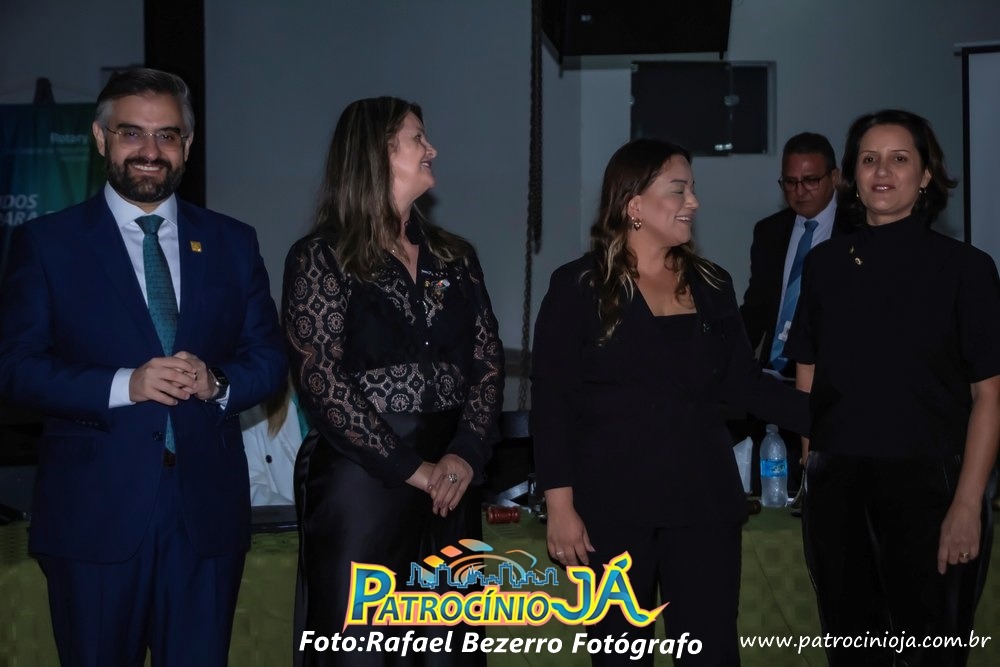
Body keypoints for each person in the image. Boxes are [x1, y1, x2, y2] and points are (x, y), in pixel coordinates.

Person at [0, 68, 287, 667]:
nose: (150, 151)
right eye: (132, 133)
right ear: (100, 138)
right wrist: (123, 385)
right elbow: (16, 368)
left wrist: (217, 383)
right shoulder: (47, 244)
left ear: (188, 144)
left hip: (206, 515)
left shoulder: (233, 242)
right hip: (93, 517)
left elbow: (268, 360)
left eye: (167, 135)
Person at [531, 138, 809, 666]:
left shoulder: (711, 283)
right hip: (612, 509)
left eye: (693, 189)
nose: (694, 202)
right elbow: (553, 404)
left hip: (704, 504)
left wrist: (834, 415)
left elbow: (744, 385)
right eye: (679, 190)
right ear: (633, 204)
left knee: (710, 654)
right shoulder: (578, 286)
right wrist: (560, 506)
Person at [283, 96, 504, 666]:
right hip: (362, 481)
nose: (432, 149)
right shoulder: (321, 257)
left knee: (450, 648)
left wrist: (464, 454)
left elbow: (486, 364)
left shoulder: (455, 256)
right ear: (377, 153)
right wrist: (412, 467)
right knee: (362, 646)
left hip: (451, 481)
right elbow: (321, 379)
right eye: (417, 138)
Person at [786, 108, 1000, 667]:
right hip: (839, 493)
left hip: (934, 492)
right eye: (869, 159)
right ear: (852, 176)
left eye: (899, 158)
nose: (882, 171)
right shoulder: (824, 265)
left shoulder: (967, 269)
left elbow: (989, 396)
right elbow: (807, 371)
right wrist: (812, 465)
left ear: (925, 174)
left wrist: (967, 504)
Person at [739, 132, 854, 497]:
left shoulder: (859, 231)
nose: (799, 191)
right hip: (774, 381)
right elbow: (757, 307)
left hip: (833, 383)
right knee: (771, 487)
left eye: (810, 180)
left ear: (834, 178)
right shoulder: (769, 231)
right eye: (790, 182)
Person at [240, 377, 310, 506]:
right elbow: (250, 482)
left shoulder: (340, 398)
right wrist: (297, 514)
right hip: (287, 516)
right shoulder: (253, 403)